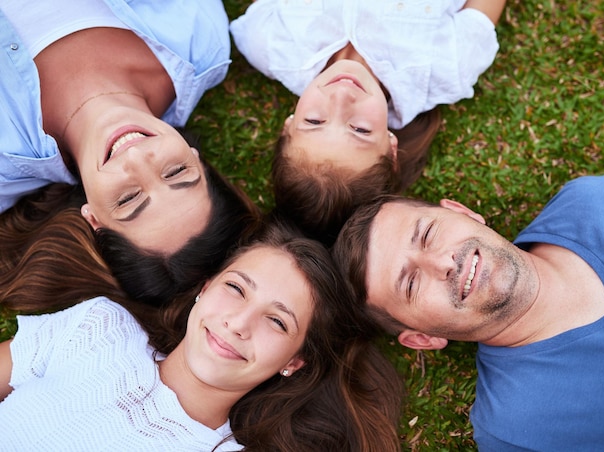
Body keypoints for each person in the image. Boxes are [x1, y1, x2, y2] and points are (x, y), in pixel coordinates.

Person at [0, 219, 404, 451]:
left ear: (294, 362)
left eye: (277, 321)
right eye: (236, 289)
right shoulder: (99, 327)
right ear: (204, 288)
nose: (239, 323)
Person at [332, 172, 604, 450]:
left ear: (462, 211)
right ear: (422, 338)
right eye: (410, 284)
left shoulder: (593, 202)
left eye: (429, 234)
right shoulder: (519, 431)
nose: (442, 263)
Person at [0, 1, 258, 304]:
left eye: (128, 199)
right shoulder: (199, 43)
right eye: (176, 171)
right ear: (195, 157)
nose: (136, 157)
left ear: (94, 220)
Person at [230, 0, 506, 244]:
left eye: (314, 121)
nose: (340, 98)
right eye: (360, 129)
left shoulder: (268, 43)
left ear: (288, 126)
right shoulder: (448, 66)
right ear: (391, 146)